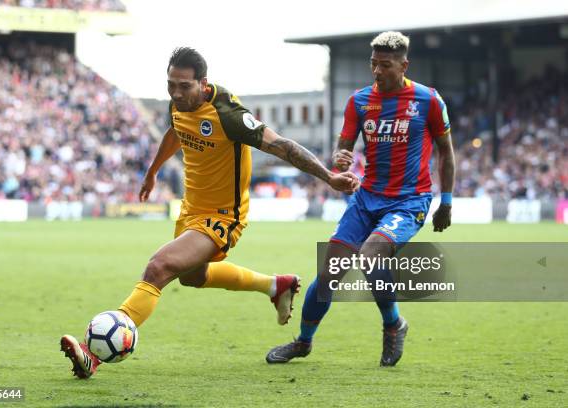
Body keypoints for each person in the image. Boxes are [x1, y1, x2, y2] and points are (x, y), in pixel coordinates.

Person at [60, 47, 360, 378]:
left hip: (222, 216)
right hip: (191, 211)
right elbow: (175, 132)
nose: (175, 92)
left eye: (184, 86)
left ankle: (93, 356)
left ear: (203, 84)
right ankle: (276, 286)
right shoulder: (178, 104)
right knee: (192, 277)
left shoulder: (228, 114)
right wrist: (153, 171)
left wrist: (329, 177)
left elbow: (283, 146)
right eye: (171, 84)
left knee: (159, 267)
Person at [266, 31, 455, 366]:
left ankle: (393, 324)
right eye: (373, 63)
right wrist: (341, 160)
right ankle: (303, 342)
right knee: (328, 275)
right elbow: (344, 147)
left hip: (409, 201)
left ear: (403, 65)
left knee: (370, 256)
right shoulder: (359, 101)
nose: (377, 71)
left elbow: (446, 153)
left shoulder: (428, 100)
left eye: (385, 64)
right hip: (366, 198)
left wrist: (447, 201)